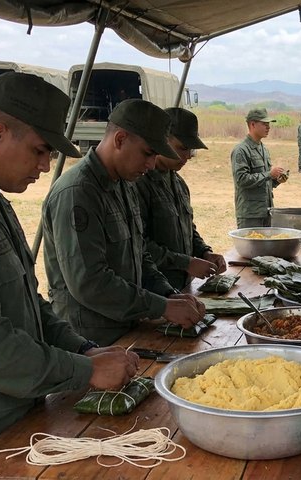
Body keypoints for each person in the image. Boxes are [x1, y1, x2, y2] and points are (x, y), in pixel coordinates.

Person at [0, 72, 139, 478]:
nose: (45, 165)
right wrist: (85, 371)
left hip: (12, 426)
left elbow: (29, 304)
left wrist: (85, 349)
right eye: (40, 151)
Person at [42, 99, 205, 347]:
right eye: (148, 153)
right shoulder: (78, 192)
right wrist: (160, 306)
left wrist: (169, 294)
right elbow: (90, 283)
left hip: (126, 329)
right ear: (120, 140)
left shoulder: (122, 184)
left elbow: (140, 254)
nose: (151, 164)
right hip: (91, 340)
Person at [135, 107, 227, 291]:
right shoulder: (139, 183)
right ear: (162, 140)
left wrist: (204, 252)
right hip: (154, 290)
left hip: (182, 286)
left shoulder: (178, 183)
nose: (187, 156)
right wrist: (186, 263)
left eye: (190, 150)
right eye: (182, 148)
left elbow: (188, 228)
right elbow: (138, 244)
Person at [231, 108, 287, 227]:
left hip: (266, 212)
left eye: (269, 124)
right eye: (264, 124)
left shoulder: (263, 149)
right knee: (250, 246)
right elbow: (241, 180)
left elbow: (264, 182)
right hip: (250, 214)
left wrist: (277, 180)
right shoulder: (241, 150)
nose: (268, 127)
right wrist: (269, 174)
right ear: (252, 124)